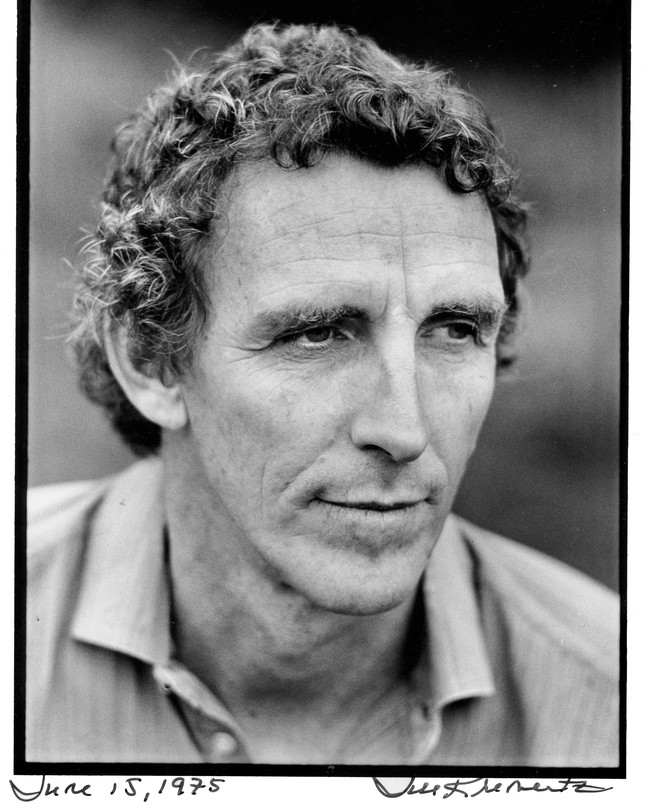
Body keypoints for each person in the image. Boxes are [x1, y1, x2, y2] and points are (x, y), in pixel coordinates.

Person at [27, 23, 619, 766]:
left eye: (454, 328)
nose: (404, 431)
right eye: (318, 334)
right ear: (150, 360)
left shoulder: (618, 704)